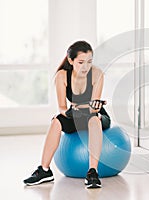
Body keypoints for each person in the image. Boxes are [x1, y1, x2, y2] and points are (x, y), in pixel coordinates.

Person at [23, 40, 111, 188]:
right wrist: (69, 113)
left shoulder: (97, 74)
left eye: (89, 62)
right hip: (74, 114)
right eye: (81, 62)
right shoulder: (62, 76)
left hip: (96, 115)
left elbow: (94, 110)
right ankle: (44, 170)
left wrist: (93, 105)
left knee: (94, 120)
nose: (86, 67)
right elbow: (62, 107)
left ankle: (92, 173)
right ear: (71, 60)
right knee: (56, 121)